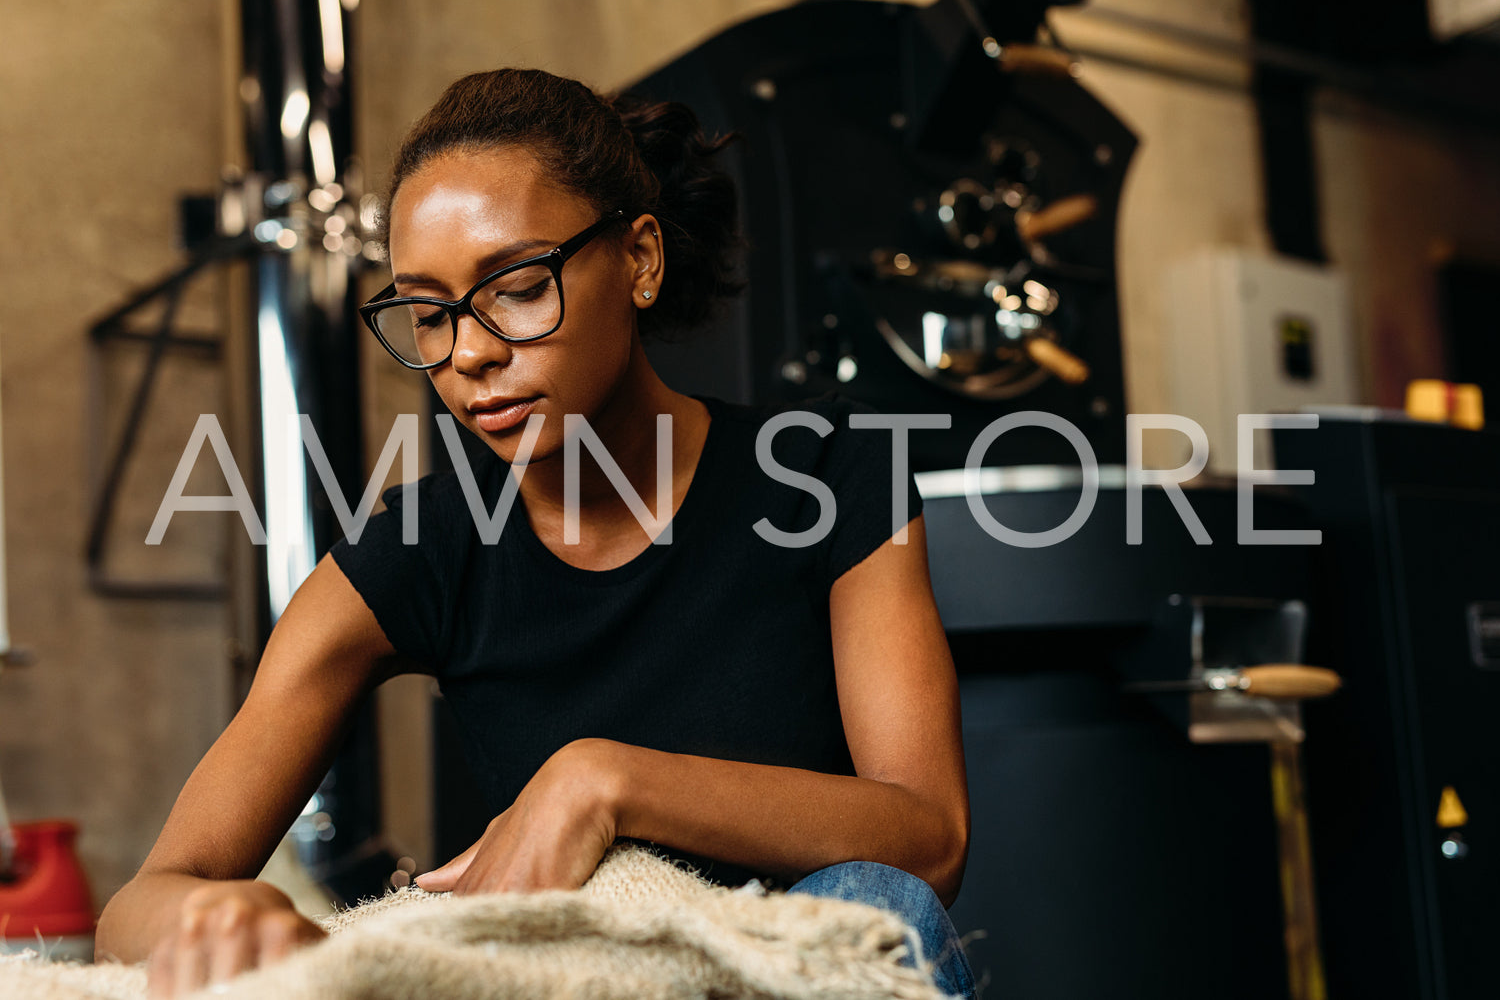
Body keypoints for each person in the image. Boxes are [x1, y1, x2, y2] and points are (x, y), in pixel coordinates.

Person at [96, 67, 974, 999]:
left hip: (781, 969)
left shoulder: (826, 475)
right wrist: (221, 914)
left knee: (875, 900)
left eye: (515, 287)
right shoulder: (422, 548)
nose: (467, 351)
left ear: (639, 259)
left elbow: (930, 836)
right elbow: (135, 906)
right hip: (577, 982)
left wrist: (604, 781)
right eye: (427, 314)